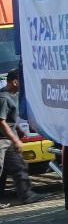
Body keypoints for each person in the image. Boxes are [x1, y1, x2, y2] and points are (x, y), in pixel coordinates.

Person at [1, 70, 37, 207]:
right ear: (15, 82)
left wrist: (19, 130)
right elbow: (1, 122)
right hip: (2, 140)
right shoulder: (3, 98)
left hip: (8, 138)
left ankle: (27, 195)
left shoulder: (13, 96)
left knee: (18, 166)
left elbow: (11, 119)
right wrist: (15, 140)